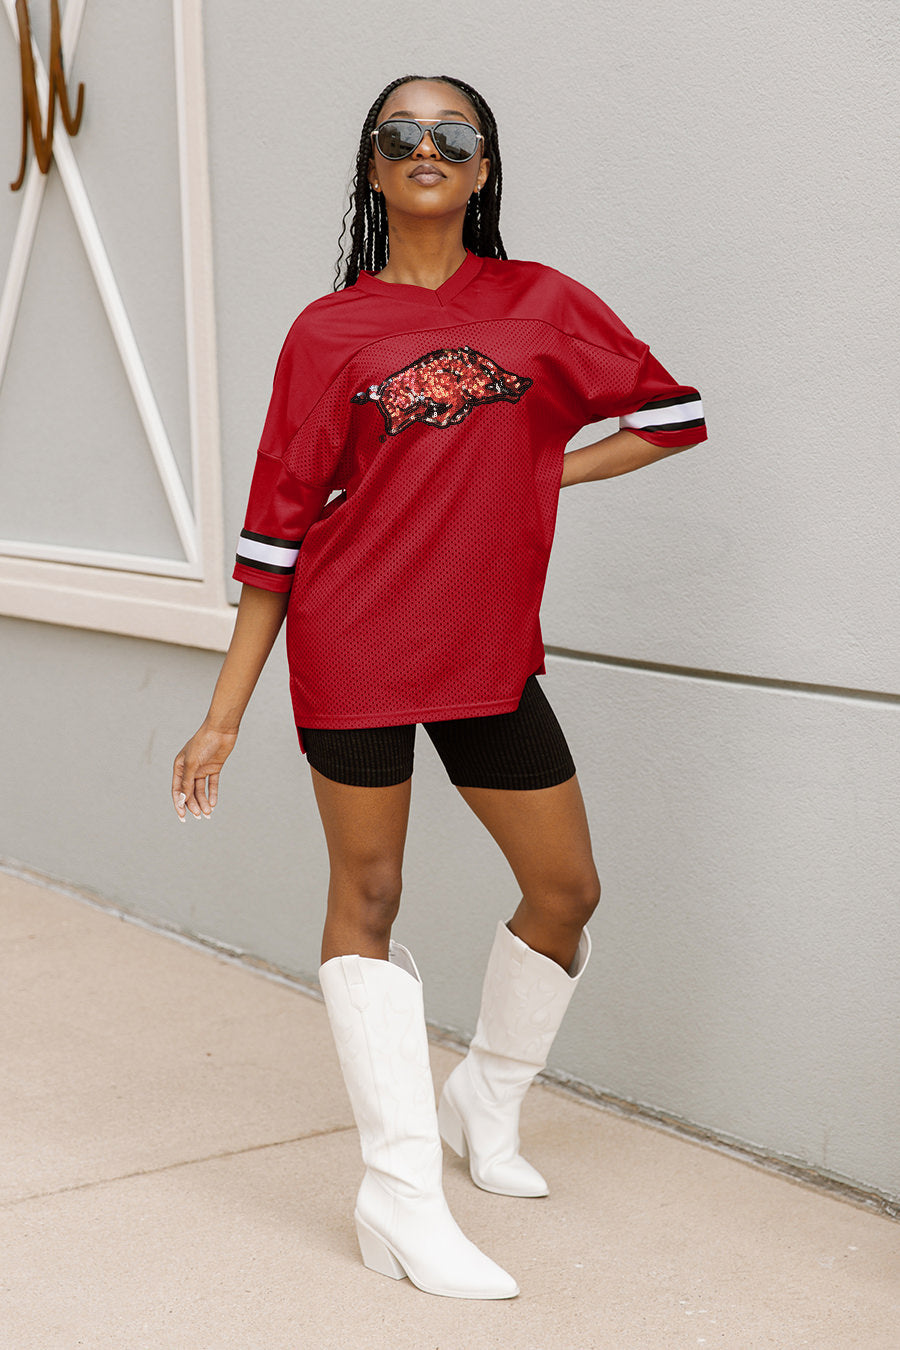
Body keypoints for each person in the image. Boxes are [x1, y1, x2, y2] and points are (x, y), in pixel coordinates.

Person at [172, 73, 707, 1301]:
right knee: (368, 893)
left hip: (485, 654)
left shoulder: (543, 304)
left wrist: (542, 472)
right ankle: (400, 1198)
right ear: (373, 167)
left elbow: (673, 416)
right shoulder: (329, 331)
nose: (426, 147)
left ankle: (486, 1099)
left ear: (482, 169)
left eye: (452, 134)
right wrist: (223, 713)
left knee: (566, 890)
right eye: (399, 134)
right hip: (354, 641)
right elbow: (275, 533)